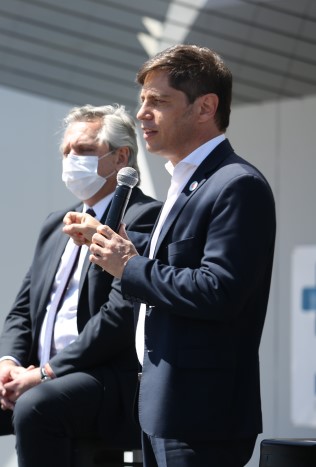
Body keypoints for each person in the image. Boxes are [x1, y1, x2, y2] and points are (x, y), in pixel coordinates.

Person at [0, 104, 162, 467]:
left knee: (36, 407)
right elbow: (23, 308)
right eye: (66, 151)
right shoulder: (57, 224)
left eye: (82, 150)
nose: (70, 160)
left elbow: (120, 315)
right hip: (36, 372)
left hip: (99, 378)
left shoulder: (143, 217)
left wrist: (45, 373)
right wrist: (9, 363)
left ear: (121, 158)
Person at [80, 45, 276, 467]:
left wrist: (129, 265)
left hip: (201, 414)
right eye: (142, 101)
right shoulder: (184, 183)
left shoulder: (236, 185)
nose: (142, 114)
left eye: (159, 101)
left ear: (205, 107)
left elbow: (219, 290)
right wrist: (122, 259)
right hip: (161, 405)